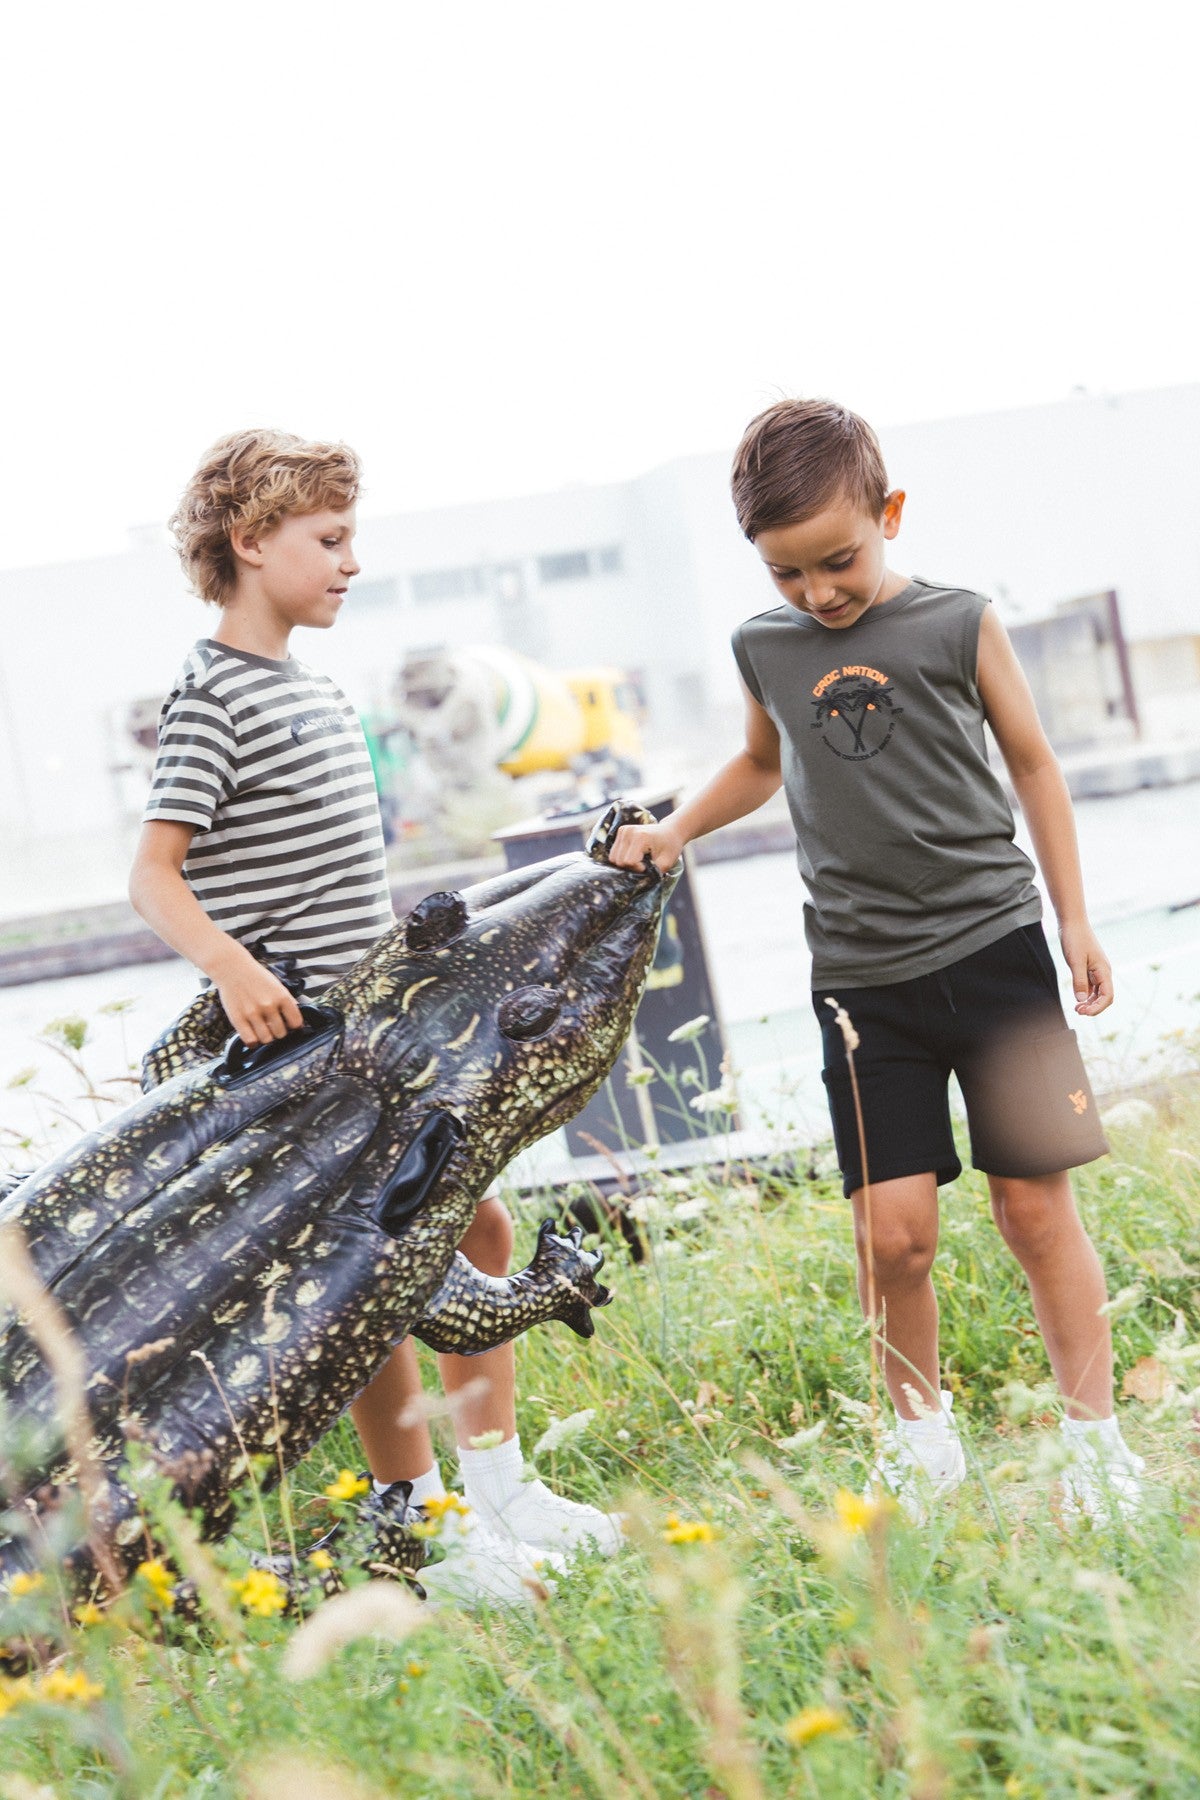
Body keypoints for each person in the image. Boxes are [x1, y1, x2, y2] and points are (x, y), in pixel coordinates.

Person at [610, 398, 1143, 1524]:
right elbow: (762, 761)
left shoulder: (960, 623)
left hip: (996, 954)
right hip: (861, 982)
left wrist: (1074, 920)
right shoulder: (763, 647)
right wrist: (675, 830)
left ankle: (1098, 1449)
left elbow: (1035, 765)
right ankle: (923, 1449)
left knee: (1034, 1212)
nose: (817, 593)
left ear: (889, 514)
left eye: (838, 560)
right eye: (786, 572)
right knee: (892, 1234)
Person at [129, 429, 621, 1602]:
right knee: (375, 1284)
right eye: (331, 539)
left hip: (380, 1035)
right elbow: (153, 875)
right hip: (303, 1052)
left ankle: (497, 1486)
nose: (352, 563)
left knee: (480, 1231)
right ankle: (426, 1524)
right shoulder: (211, 697)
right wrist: (231, 968)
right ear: (253, 541)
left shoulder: (315, 687)